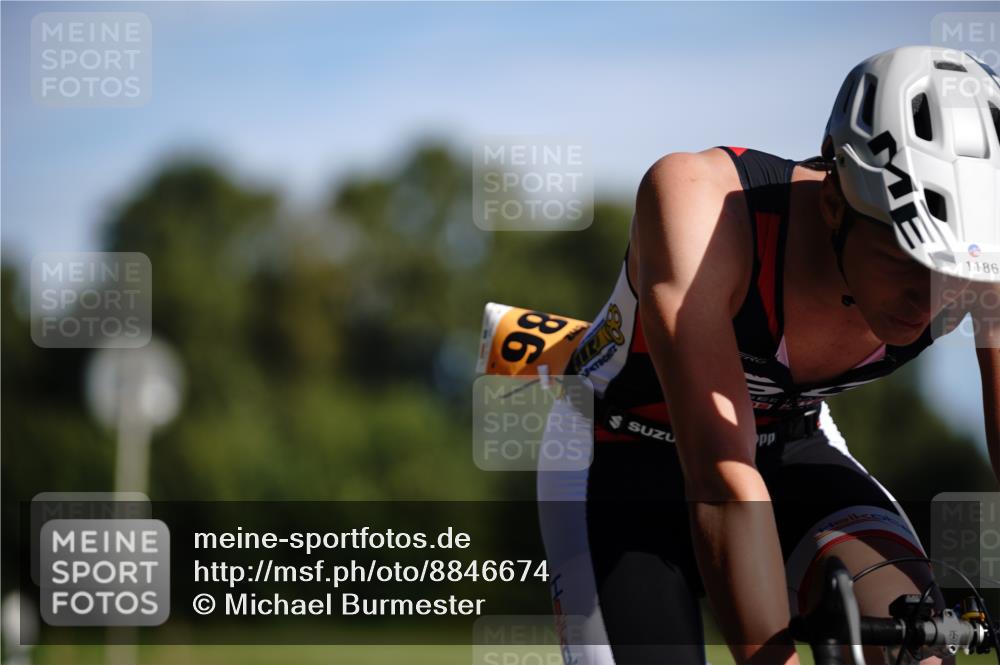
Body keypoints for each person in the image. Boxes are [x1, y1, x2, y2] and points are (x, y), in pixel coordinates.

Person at [537, 45, 1000, 665]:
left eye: (954, 273)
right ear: (834, 200)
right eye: (904, 260)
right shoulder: (699, 206)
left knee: (918, 652)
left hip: (789, 443)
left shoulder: (987, 262)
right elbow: (722, 481)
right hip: (618, 452)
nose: (932, 297)